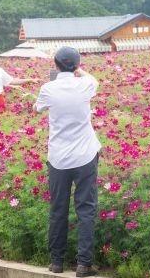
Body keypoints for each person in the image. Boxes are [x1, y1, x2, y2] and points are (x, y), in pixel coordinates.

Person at [33, 47, 101, 277]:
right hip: (85, 155)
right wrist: (78, 71)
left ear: (55, 64)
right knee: (86, 209)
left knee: (58, 209)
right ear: (77, 65)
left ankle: (57, 262)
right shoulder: (86, 84)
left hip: (59, 158)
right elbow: (93, 79)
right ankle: (84, 264)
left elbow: (37, 108)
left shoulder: (48, 89)